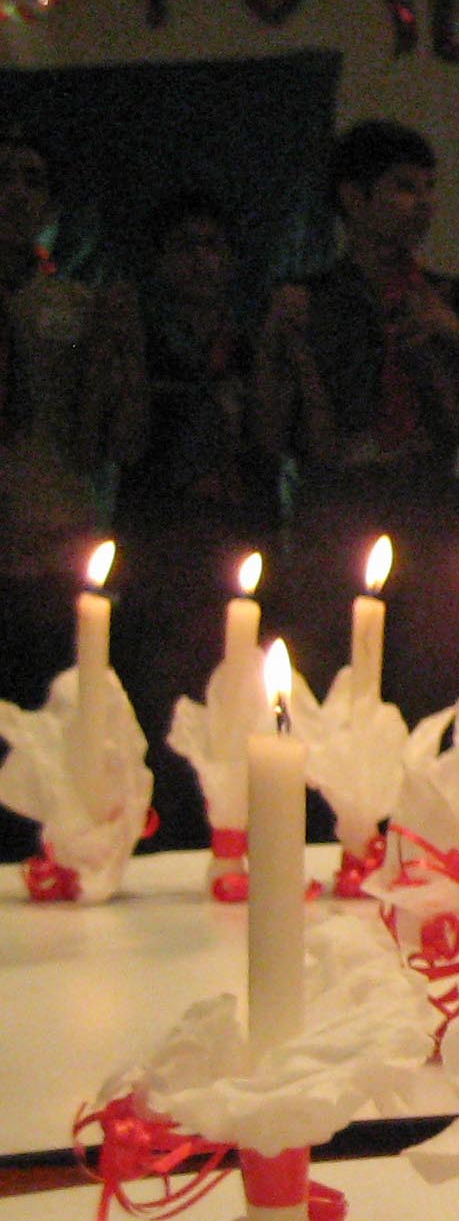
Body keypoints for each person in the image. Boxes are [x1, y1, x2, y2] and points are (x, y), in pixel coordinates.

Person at [257, 118, 459, 712]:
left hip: (429, 511)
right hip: (336, 516)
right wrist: (280, 346)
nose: (424, 205)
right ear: (353, 198)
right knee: (335, 693)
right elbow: (270, 435)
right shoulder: (309, 300)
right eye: (404, 187)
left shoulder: (454, 300)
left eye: (429, 188)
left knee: (432, 691)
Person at [112, 189, 274, 843]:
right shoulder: (139, 334)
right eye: (187, 246)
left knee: (239, 702)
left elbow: (268, 440)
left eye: (216, 246)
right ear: (157, 261)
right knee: (164, 705)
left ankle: (240, 833)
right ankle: (170, 836)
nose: (204, 261)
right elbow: (122, 444)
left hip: (238, 538)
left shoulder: (251, 338)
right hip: (163, 542)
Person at [0, 123, 140, 791]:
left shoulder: (73, 303)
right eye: (5, 176)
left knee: (46, 749)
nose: (16, 193)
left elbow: (97, 442)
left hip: (48, 540)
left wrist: (112, 352)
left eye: (33, 180)